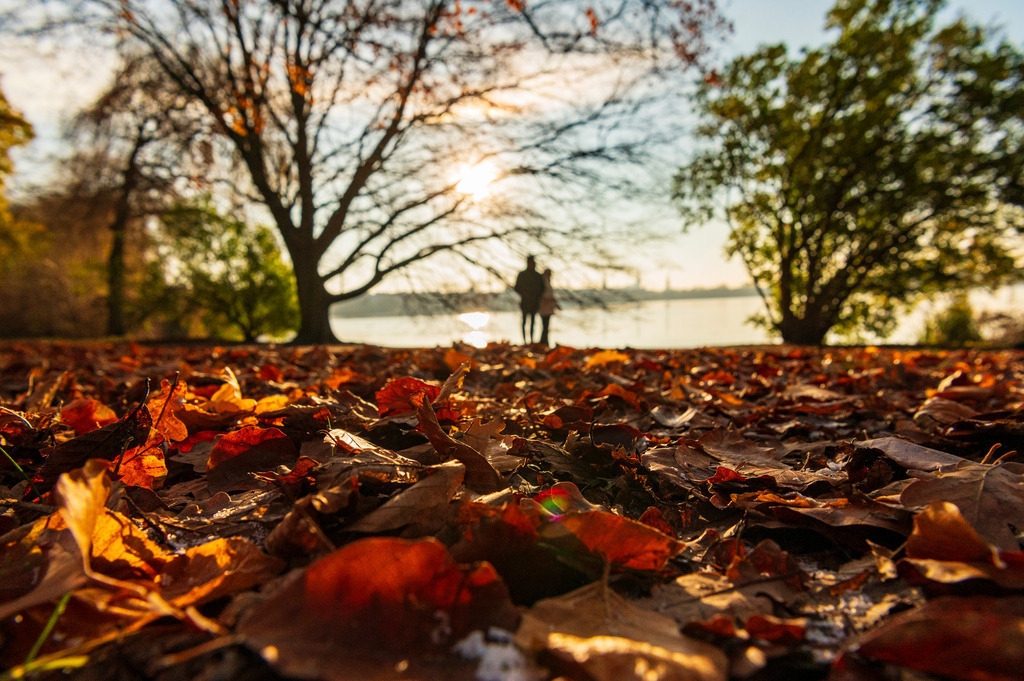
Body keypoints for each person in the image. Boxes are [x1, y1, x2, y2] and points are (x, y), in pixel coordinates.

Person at [514, 255, 545, 344]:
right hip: (525, 302)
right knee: (524, 322)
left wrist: (535, 295)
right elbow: (517, 287)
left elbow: (542, 289)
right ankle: (525, 341)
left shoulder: (537, 276)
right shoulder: (523, 275)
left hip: (534, 302)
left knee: (532, 322)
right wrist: (525, 293)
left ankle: (530, 341)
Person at [538, 268, 559, 347]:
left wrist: (555, 303)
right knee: (545, 326)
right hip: (545, 307)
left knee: (546, 326)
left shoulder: (547, 282)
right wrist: (551, 300)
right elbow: (545, 295)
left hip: (547, 307)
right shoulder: (543, 283)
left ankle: (545, 341)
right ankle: (544, 342)